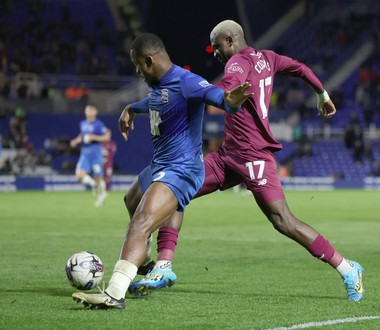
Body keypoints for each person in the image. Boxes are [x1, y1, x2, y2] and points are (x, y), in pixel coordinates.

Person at [129, 20, 365, 302]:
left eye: (216, 47)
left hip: (254, 157)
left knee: (283, 221)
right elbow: (300, 68)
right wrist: (321, 94)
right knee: (177, 189)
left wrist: (222, 95)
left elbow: (229, 87)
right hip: (228, 155)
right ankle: (164, 266)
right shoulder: (269, 58)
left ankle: (348, 268)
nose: (215, 53)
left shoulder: (236, 64)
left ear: (230, 41)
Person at [71, 32, 252, 309]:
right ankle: (143, 264)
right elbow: (159, 101)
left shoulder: (187, 81)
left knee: (141, 222)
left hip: (182, 169)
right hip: (161, 165)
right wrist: (132, 108)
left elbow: (219, 98)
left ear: (149, 60)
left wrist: (232, 100)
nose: (137, 72)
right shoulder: (160, 84)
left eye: (138, 66)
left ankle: (114, 294)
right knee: (131, 199)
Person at [70, 104, 110, 207]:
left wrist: (93, 137)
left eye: (91, 109)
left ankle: (101, 197)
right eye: (87, 109)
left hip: (96, 153)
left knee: (99, 177)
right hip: (85, 153)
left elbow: (107, 137)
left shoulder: (99, 124)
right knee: (79, 175)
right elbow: (82, 135)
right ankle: (94, 185)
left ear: (95, 112)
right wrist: (76, 141)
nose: (88, 111)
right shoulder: (83, 123)